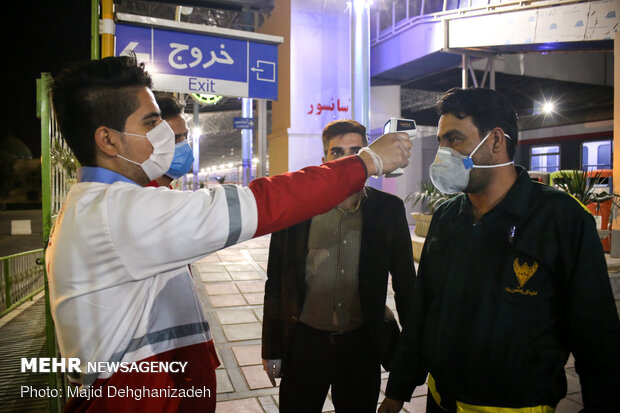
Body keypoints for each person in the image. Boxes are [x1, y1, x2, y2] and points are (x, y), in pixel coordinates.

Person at [46, 55, 411, 413]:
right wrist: (366, 161)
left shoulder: (117, 206)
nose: (164, 138)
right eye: (151, 122)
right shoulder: (120, 215)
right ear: (108, 141)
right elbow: (260, 204)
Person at [379, 87, 620, 413]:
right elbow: (424, 310)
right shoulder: (448, 218)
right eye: (441, 142)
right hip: (441, 402)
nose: (443, 154)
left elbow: (597, 337)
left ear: (495, 140)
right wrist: (397, 392)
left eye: (454, 140)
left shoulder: (561, 219)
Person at [261, 119, 416, 413]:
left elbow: (407, 286)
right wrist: (272, 350)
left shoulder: (388, 211)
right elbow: (276, 284)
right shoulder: (297, 210)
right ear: (324, 161)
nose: (348, 160)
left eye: (357, 151)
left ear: (371, 158)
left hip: (362, 345)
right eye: (337, 152)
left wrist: (409, 359)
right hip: (305, 343)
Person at [146, 93, 193, 188]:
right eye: (174, 138)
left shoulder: (166, 191)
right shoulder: (144, 193)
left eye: (185, 136)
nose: (184, 145)